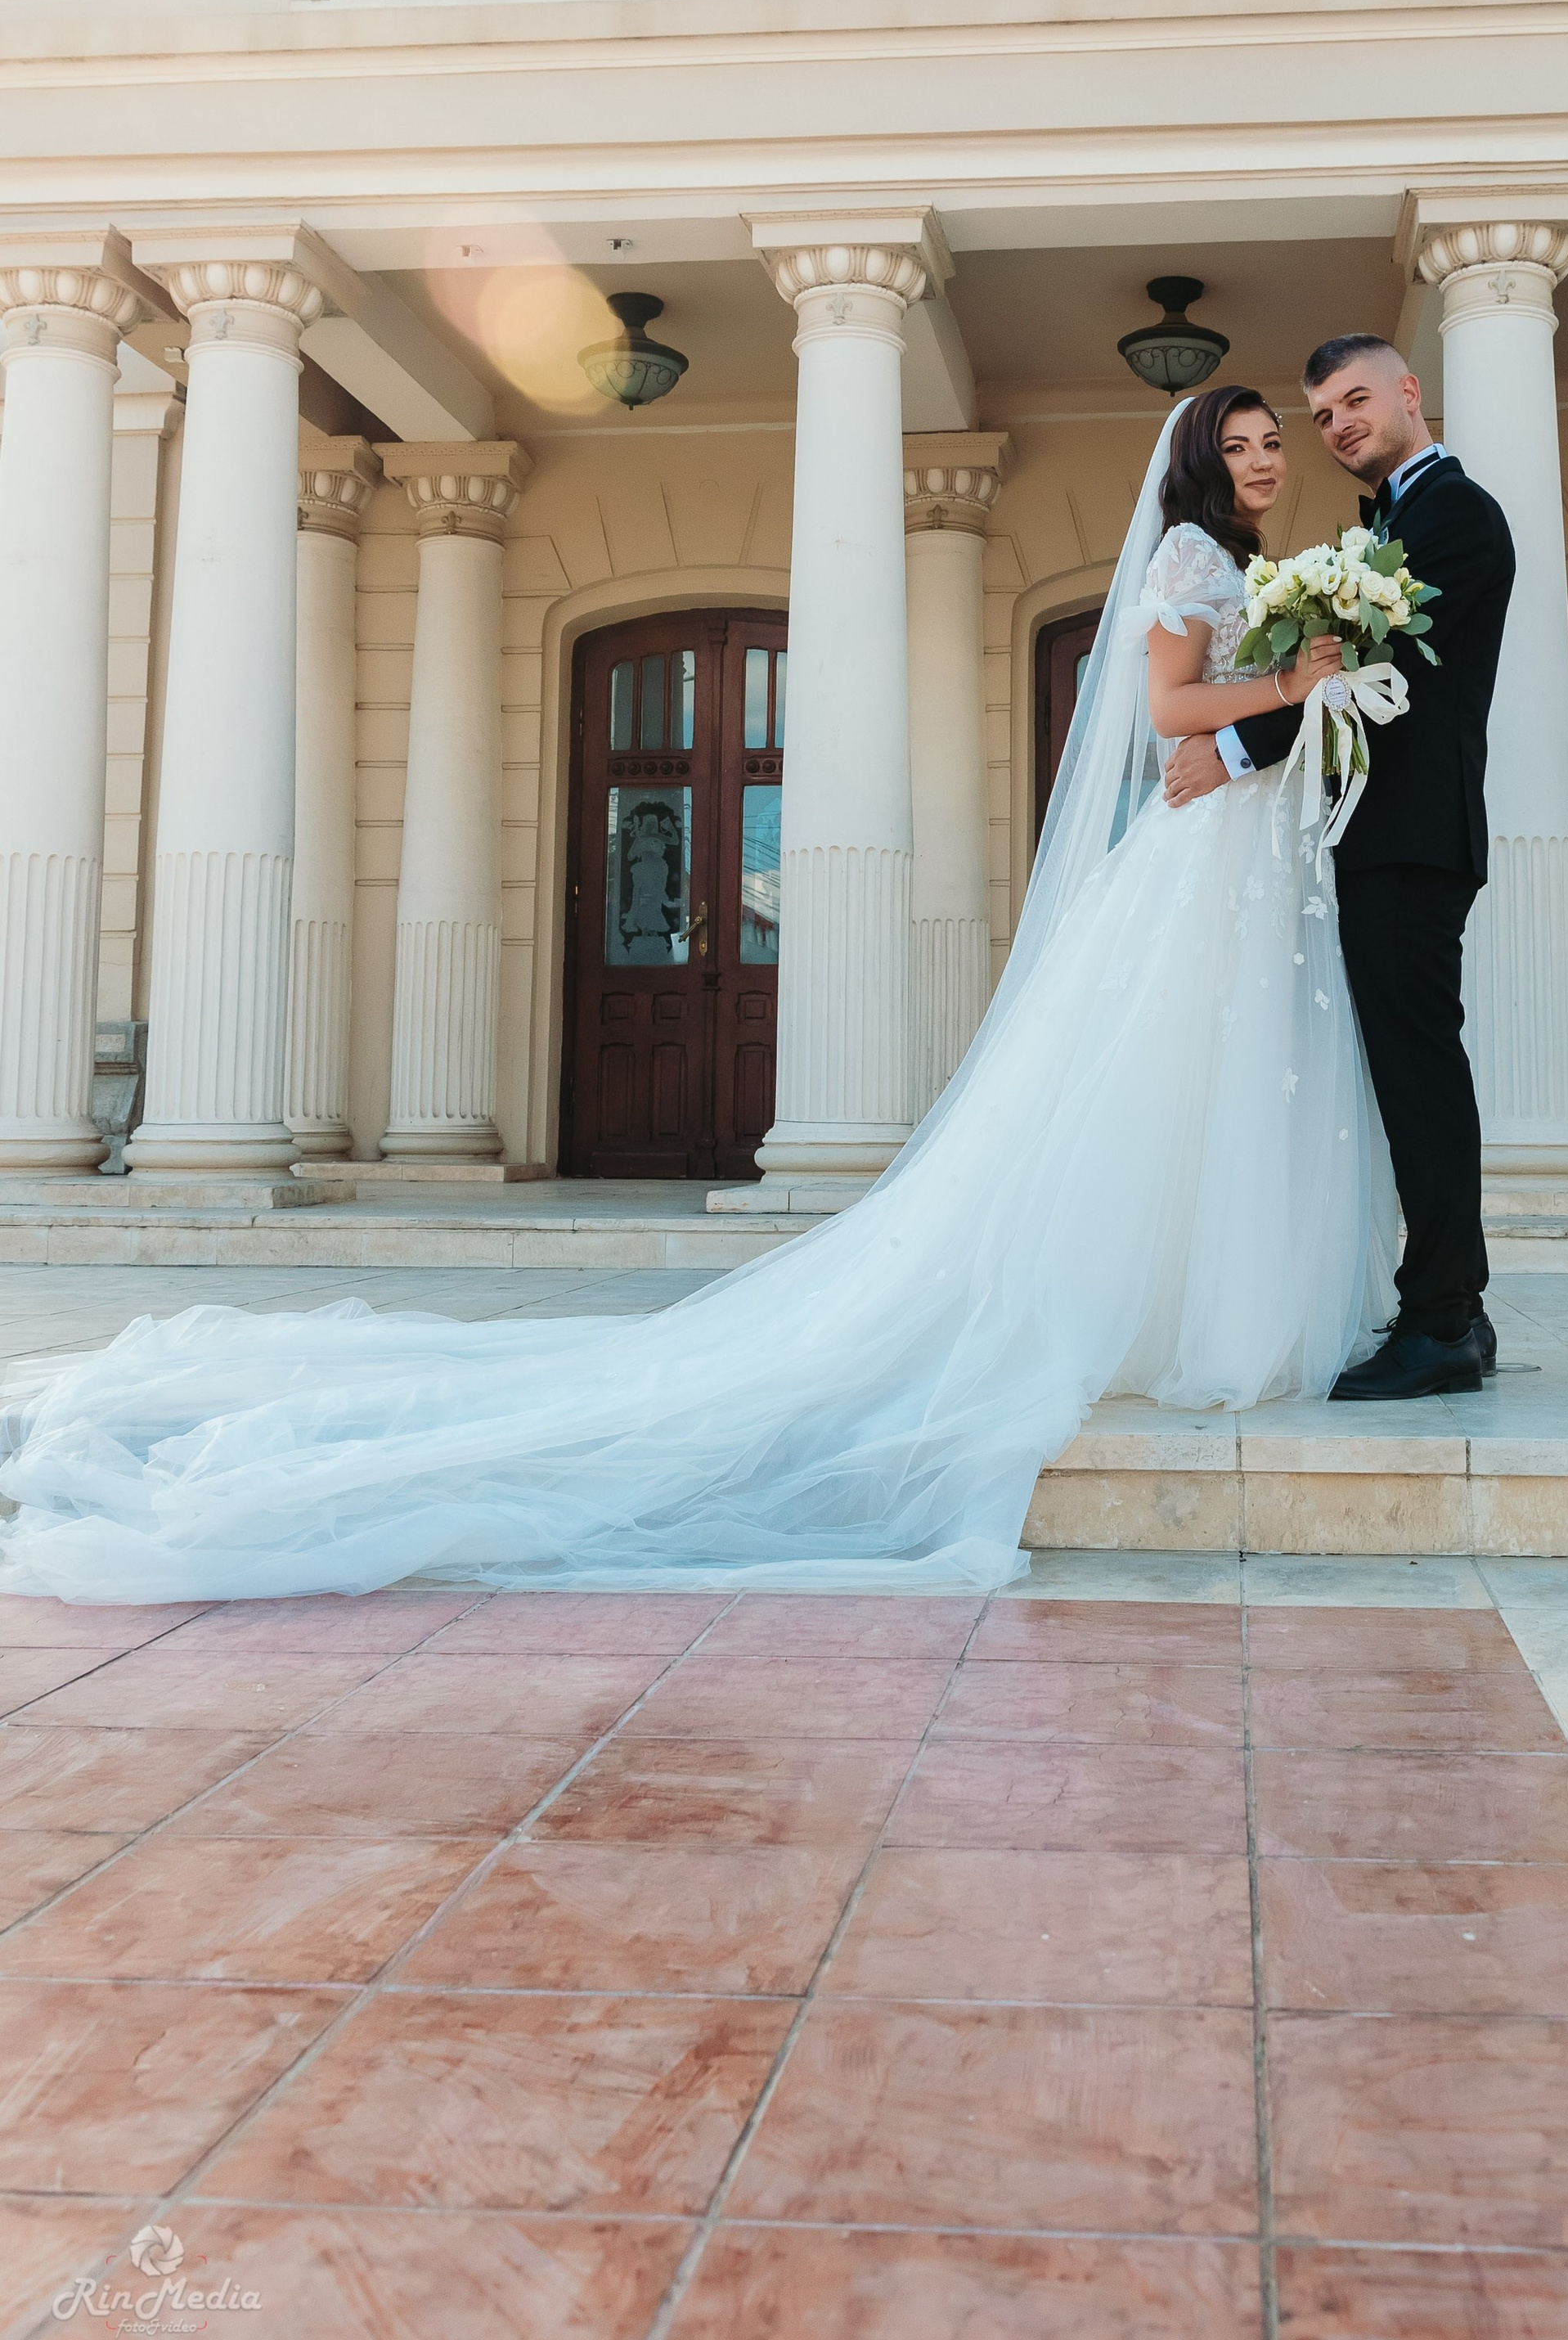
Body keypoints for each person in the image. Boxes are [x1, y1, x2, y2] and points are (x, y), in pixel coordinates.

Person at [0, 386, 1395, 1602]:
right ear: (1202, 461)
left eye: (1279, 441)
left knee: (1207, 1074)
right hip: (1201, 848)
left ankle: (1196, 1306)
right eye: (1248, 441)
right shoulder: (1201, 556)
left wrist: (1284, 690)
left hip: (1233, 844)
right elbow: (1165, 714)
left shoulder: (1253, 559)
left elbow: (1214, 720)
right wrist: (1294, 677)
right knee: (1170, 1069)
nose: (1270, 457)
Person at [1165, 335, 1514, 1401]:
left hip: (1409, 836)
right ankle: (1458, 1303)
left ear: (1410, 394)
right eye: (1325, 413)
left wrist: (1228, 749)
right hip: (1370, 834)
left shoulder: (1453, 515)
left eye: (1353, 401)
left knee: (1418, 1075)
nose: (1338, 426)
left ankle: (1443, 1320)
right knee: (1405, 1073)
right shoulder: (1392, 522)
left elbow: (1384, 679)